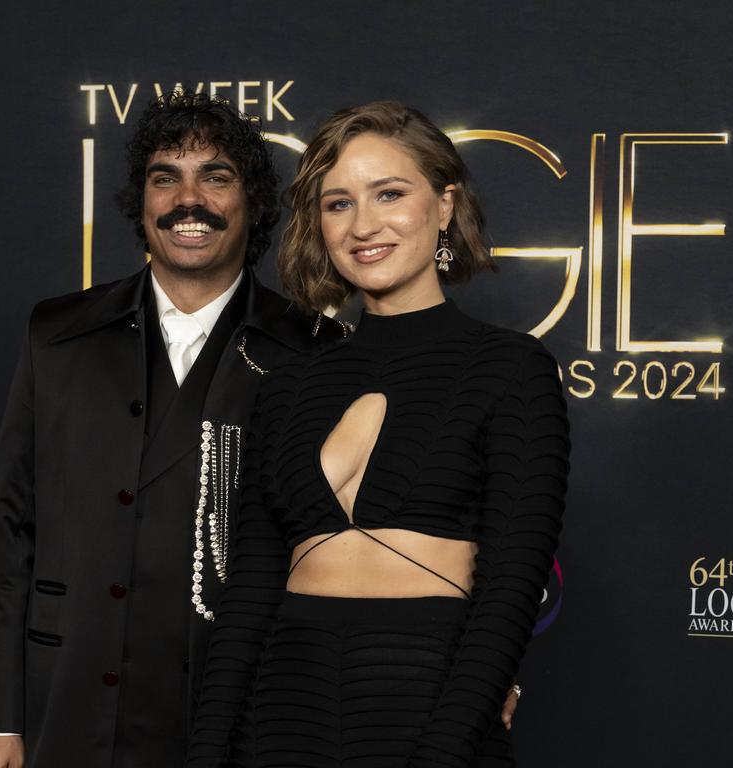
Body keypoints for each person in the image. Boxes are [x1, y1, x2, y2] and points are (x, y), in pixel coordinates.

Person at [0, 91, 350, 768]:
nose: (186, 200)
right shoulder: (57, 334)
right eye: (165, 177)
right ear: (141, 202)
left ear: (253, 202)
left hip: (238, 714)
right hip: (68, 700)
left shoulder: (314, 351)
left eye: (215, 178)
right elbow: (7, 530)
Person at [187, 102, 570, 767]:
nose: (364, 225)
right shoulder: (286, 386)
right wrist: (204, 756)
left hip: (430, 703)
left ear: (444, 206)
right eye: (338, 204)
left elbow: (508, 593)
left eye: (389, 194)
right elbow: (249, 595)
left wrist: (444, 752)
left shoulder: (510, 368)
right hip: (283, 712)